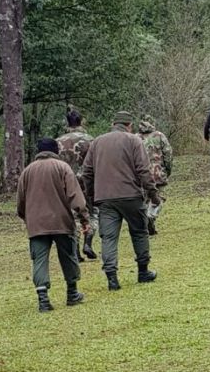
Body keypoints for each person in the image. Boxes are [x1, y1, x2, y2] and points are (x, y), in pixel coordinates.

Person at [82, 111, 161, 291]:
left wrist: (92, 196)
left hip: (105, 199)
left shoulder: (97, 142)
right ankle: (143, 271)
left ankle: (112, 278)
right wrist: (153, 194)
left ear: (113, 124)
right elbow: (143, 170)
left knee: (108, 237)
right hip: (131, 195)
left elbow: (86, 172)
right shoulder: (134, 140)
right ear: (129, 125)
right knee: (139, 232)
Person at [17, 138, 89, 312]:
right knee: (68, 255)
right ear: (55, 150)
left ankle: (43, 299)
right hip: (61, 221)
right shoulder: (62, 167)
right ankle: (72, 293)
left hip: (36, 225)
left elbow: (20, 201)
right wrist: (84, 216)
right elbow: (75, 196)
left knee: (39, 260)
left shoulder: (27, 171)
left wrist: (27, 217)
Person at [56, 106, 98, 260]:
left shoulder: (58, 142)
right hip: (86, 184)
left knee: (72, 217)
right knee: (92, 214)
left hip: (65, 185)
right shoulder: (90, 140)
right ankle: (88, 242)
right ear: (81, 121)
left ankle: (75, 250)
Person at [138, 116, 173, 235]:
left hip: (140, 175)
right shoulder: (159, 136)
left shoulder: (135, 138)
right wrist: (167, 170)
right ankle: (151, 216)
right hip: (158, 173)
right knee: (159, 198)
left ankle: (145, 223)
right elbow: (168, 154)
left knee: (143, 200)